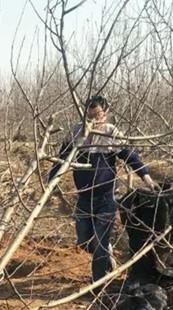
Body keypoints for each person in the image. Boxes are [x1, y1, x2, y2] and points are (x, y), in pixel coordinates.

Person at [48, 95, 157, 283]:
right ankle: (107, 253)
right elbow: (61, 160)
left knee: (99, 242)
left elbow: (131, 157)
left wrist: (146, 178)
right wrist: (50, 182)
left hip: (106, 197)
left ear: (105, 114)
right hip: (83, 198)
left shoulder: (111, 134)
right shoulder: (76, 133)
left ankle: (98, 282)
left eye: (98, 116)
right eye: (90, 117)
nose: (94, 121)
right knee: (84, 240)